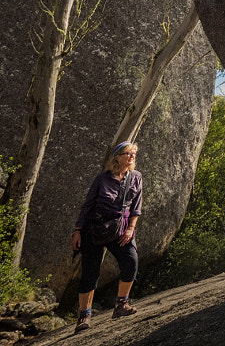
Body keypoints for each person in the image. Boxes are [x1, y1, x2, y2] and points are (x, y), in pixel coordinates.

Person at [71, 141, 143, 333]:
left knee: (131, 261)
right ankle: (84, 316)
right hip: (93, 229)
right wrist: (78, 231)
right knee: (90, 273)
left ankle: (121, 305)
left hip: (120, 229)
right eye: (128, 153)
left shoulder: (136, 177)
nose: (132, 156)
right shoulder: (102, 179)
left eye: (134, 153)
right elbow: (87, 206)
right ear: (117, 157)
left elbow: (136, 208)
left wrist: (130, 229)